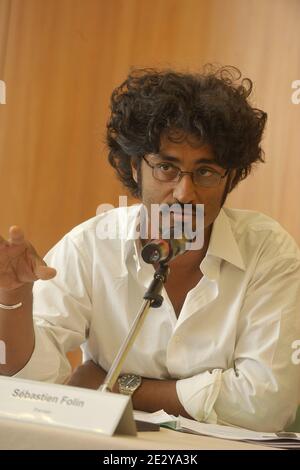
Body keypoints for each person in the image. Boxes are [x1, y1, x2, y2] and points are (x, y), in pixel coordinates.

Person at [0, 66, 299, 432]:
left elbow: (266, 404)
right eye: (166, 168)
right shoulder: (91, 247)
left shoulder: (268, 252)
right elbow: (25, 387)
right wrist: (12, 297)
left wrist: (110, 384)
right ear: (133, 166)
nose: (185, 193)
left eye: (205, 172)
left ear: (231, 178)